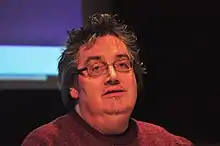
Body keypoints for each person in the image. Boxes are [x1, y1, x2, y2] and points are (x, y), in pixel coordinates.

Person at [22, 13, 193, 146]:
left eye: (123, 64)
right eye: (96, 68)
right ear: (74, 86)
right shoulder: (46, 142)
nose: (113, 76)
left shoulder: (168, 142)